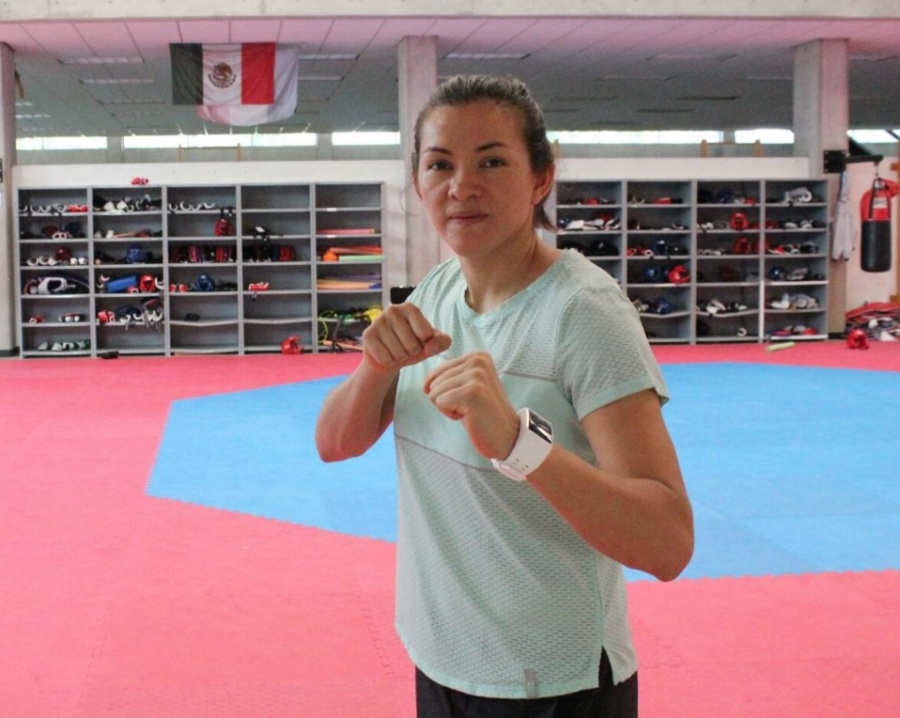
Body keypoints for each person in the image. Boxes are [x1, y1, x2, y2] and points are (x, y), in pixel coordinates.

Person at [315, 74, 694, 718]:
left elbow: (668, 543)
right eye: (441, 165)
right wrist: (374, 367)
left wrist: (522, 446)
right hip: (442, 657)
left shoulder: (584, 314)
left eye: (492, 160)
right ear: (418, 185)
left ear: (541, 177)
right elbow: (334, 444)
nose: (462, 185)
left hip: (553, 680)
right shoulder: (433, 291)